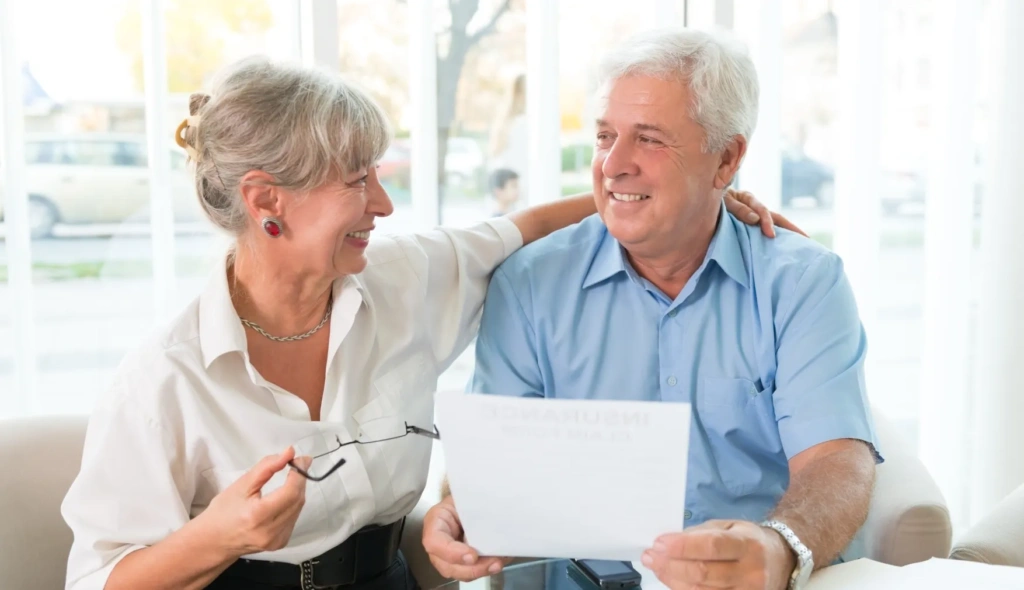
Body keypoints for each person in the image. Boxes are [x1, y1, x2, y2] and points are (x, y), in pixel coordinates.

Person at [60, 57, 785, 590]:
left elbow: (523, 226)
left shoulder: (403, 279)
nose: (383, 203)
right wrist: (214, 538)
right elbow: (100, 578)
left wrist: (706, 197)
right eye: (356, 181)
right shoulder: (167, 379)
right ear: (265, 199)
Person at [422, 27, 879, 590]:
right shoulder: (530, 283)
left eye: (650, 139)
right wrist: (464, 507)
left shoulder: (804, 282)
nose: (613, 164)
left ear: (727, 158)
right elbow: (498, 469)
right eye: (605, 136)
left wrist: (780, 545)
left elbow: (836, 460)